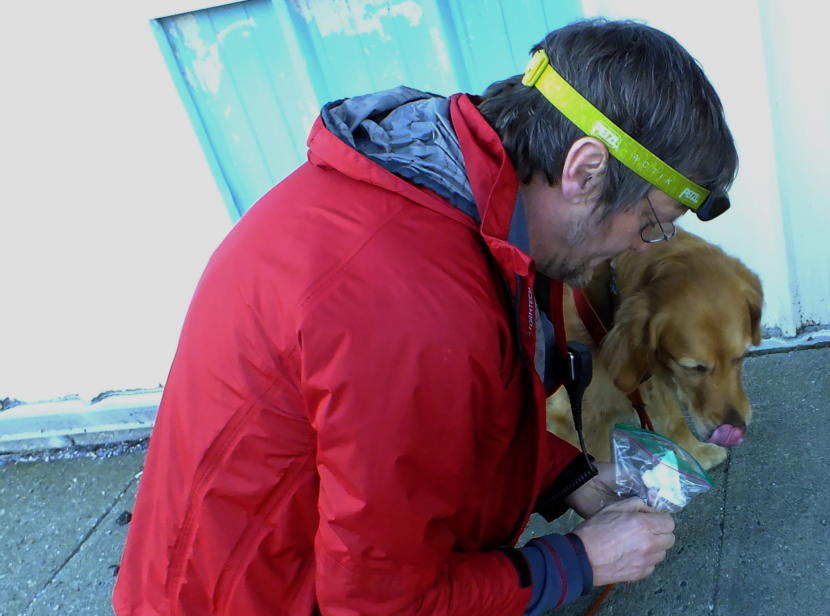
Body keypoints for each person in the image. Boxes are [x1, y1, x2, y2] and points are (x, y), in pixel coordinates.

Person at [113, 17, 737, 615]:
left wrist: (567, 475)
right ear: (584, 169)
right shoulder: (409, 309)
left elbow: (456, 419)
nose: (642, 244)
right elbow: (379, 604)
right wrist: (581, 560)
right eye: (651, 221)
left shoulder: (458, 190)